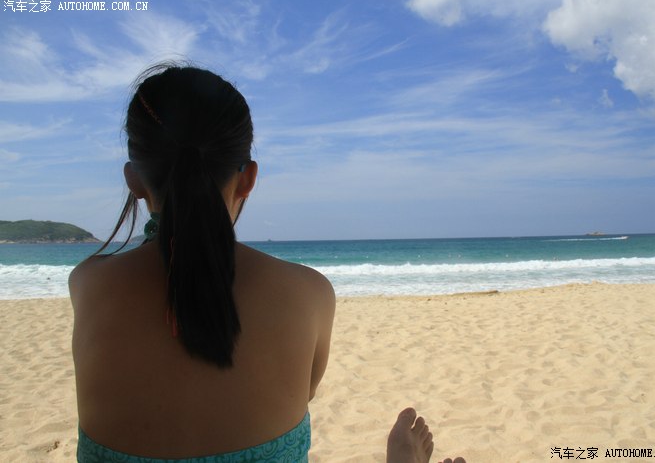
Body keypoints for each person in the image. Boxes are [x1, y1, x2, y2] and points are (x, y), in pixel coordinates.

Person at [70, 64, 464, 462]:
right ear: (248, 179)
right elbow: (302, 393)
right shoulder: (309, 293)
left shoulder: (87, 284)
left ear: (134, 179)